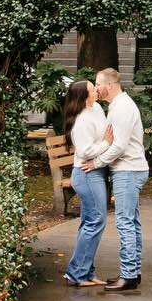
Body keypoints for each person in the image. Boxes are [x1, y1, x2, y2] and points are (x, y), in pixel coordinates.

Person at [82, 66, 147, 291]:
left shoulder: (122, 108)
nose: (96, 88)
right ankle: (133, 272)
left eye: (98, 84)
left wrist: (97, 163)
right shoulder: (118, 106)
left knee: (125, 222)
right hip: (129, 169)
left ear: (108, 85)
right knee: (132, 222)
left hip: (128, 170)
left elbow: (118, 146)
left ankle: (128, 275)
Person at [62, 78, 112, 288]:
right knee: (96, 222)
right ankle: (77, 274)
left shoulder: (97, 108)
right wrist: (106, 144)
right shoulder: (81, 120)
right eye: (92, 90)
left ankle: (85, 271)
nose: (96, 91)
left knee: (89, 223)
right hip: (86, 174)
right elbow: (84, 152)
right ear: (83, 97)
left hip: (96, 172)